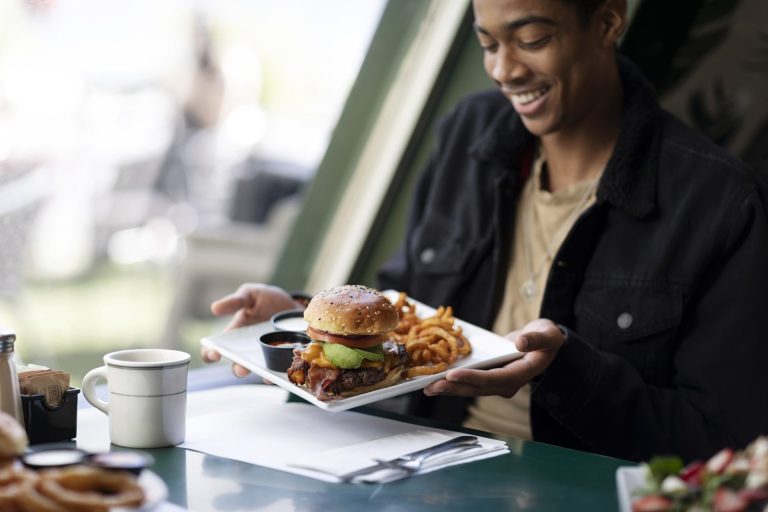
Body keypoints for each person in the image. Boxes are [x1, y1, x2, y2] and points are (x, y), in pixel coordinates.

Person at [202, 0, 768, 463]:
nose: (504, 70)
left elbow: (722, 441)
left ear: (607, 21)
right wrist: (304, 320)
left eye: (532, 37)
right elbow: (405, 308)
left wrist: (570, 371)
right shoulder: (466, 134)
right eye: (489, 43)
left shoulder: (719, 203)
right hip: (412, 460)